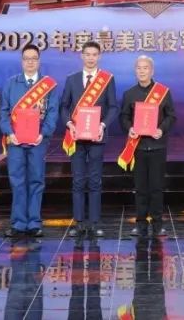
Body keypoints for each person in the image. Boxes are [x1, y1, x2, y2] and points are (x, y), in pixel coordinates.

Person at [0, 44, 60, 238]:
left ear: (39, 61)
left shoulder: (48, 85)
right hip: (15, 142)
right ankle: (18, 223)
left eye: (34, 58)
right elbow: (3, 112)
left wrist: (44, 133)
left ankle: (34, 223)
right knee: (17, 181)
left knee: (36, 181)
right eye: (27, 58)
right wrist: (9, 133)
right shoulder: (11, 83)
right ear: (22, 61)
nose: (30, 62)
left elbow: (52, 113)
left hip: (38, 141)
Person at [59, 40, 118, 238]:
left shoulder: (107, 79)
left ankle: (94, 223)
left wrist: (103, 125)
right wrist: (69, 124)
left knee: (94, 180)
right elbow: (64, 106)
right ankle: (78, 223)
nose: (91, 58)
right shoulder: (72, 79)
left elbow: (113, 107)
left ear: (99, 56)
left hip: (97, 137)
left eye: (94, 54)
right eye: (88, 54)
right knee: (77, 181)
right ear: (82, 56)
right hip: (76, 136)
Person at [119, 55, 176, 238]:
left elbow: (171, 116)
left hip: (158, 146)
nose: (142, 71)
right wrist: (130, 128)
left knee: (157, 188)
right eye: (139, 68)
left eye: (145, 68)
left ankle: (158, 225)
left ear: (152, 71)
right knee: (141, 188)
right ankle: (141, 224)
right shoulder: (129, 94)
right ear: (135, 71)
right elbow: (124, 117)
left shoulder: (163, 92)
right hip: (138, 147)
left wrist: (161, 129)